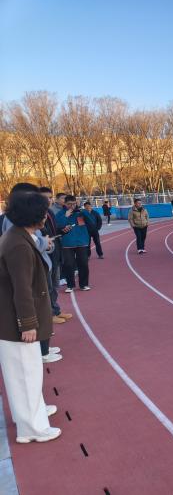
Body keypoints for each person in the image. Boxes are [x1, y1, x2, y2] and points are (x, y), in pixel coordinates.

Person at [0, 190, 62, 443]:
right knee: (26, 374)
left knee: (23, 374)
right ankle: (32, 428)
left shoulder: (17, 237)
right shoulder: (18, 244)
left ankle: (28, 415)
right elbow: (22, 289)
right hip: (15, 323)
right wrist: (27, 324)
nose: (46, 216)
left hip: (11, 320)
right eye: (43, 212)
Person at [39, 187, 73, 333]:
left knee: (55, 285)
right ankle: (50, 314)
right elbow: (41, 234)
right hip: (46, 255)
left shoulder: (50, 212)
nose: (49, 200)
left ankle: (56, 310)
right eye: (45, 197)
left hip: (56, 253)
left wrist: (62, 230)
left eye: (50, 197)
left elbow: (53, 231)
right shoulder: (37, 214)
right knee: (48, 287)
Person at [56, 196, 94, 293]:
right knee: (68, 264)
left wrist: (84, 213)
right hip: (67, 243)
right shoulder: (61, 213)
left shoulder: (81, 212)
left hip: (82, 242)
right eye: (69, 204)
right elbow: (58, 226)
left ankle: (84, 284)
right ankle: (70, 285)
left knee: (83, 264)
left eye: (74, 204)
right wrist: (66, 216)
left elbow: (91, 223)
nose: (72, 206)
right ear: (65, 204)